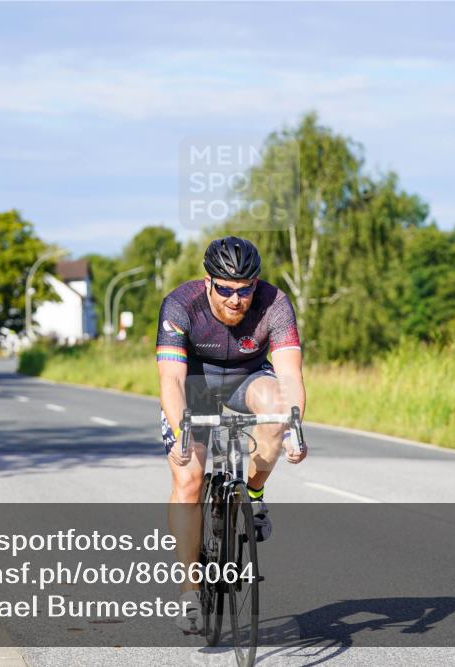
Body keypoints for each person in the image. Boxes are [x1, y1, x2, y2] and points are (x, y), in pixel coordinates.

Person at [157, 236, 307, 633]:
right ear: (208, 282)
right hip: (195, 383)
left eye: (245, 290)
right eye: (225, 289)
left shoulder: (275, 303)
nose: (236, 299)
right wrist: (180, 433)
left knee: (276, 413)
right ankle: (189, 588)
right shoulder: (180, 304)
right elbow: (171, 379)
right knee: (188, 480)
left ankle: (253, 494)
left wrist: (294, 427)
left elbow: (290, 372)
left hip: (248, 377)